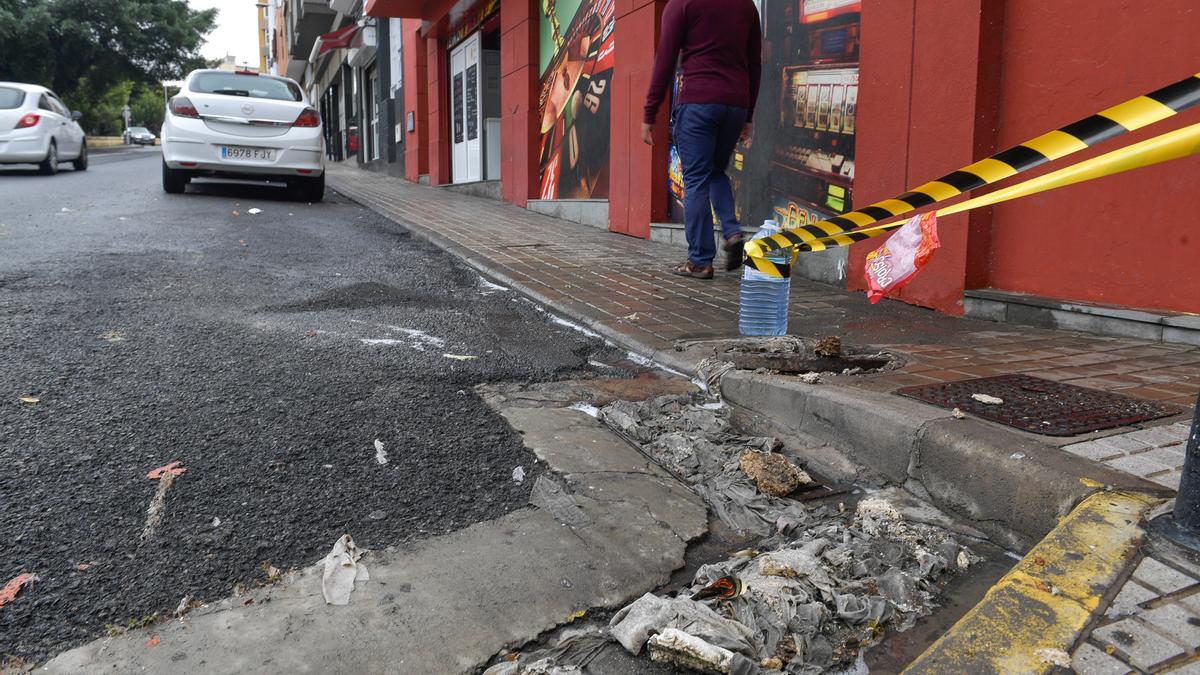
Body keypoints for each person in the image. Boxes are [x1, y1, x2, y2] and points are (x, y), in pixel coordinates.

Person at [643, 0, 762, 279]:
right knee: (714, 171)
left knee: (695, 178)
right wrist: (747, 115)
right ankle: (732, 233)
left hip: (699, 101)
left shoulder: (682, 4)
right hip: (735, 104)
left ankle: (699, 260)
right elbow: (754, 63)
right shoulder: (746, 7)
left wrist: (650, 112)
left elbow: (665, 59)